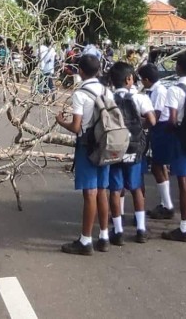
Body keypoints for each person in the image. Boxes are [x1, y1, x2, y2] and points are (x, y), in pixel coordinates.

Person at [56, 54, 110, 255]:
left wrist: (62, 121)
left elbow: (77, 126)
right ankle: (103, 236)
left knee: (90, 193)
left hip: (88, 145)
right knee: (102, 190)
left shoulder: (80, 93)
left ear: (80, 70)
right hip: (106, 144)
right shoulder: (106, 90)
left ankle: (85, 240)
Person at [107, 62, 156, 245]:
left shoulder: (108, 99)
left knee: (115, 189)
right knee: (136, 188)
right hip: (135, 148)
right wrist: (139, 129)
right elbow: (152, 120)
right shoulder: (140, 98)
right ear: (129, 79)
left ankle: (118, 231)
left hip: (114, 149)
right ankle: (141, 229)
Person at [161, 51, 186, 241]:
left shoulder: (174, 90)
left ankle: (184, 227)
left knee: (184, 181)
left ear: (177, 68)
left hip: (181, 138)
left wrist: (169, 130)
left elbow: (172, 119)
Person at [138, 63, 175, 220]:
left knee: (157, 167)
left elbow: (156, 115)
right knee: (160, 166)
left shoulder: (159, 91)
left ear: (147, 79)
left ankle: (168, 205)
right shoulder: (153, 90)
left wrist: (140, 125)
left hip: (161, 128)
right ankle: (165, 202)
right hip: (158, 129)